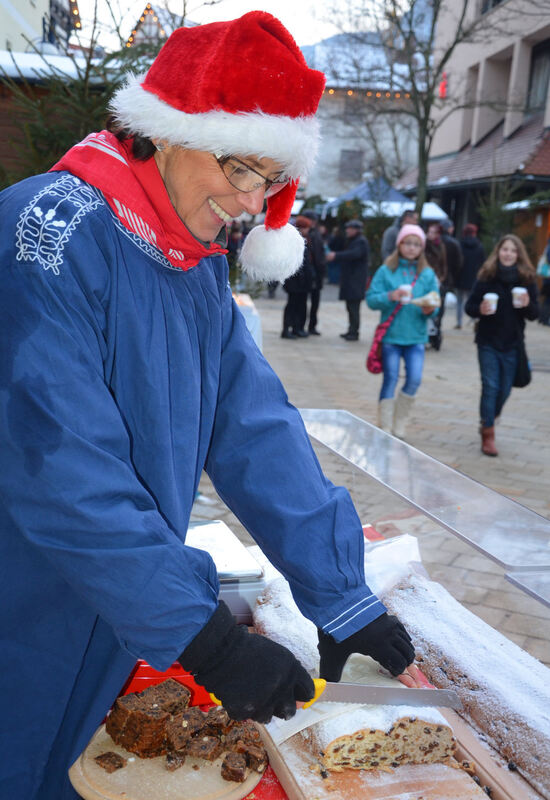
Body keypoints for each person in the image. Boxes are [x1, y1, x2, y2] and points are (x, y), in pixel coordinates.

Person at [0, 13, 419, 799]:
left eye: (271, 179)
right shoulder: (47, 233)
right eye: (239, 165)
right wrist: (206, 639)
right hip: (23, 592)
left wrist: (340, 594)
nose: (250, 198)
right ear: (168, 131)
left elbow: (253, 426)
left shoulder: (191, 260)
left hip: (115, 595)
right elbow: (58, 467)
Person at [465, 234, 539, 457]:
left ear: (519, 255)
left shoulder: (526, 280)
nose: (508, 254)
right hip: (487, 341)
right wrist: (480, 309)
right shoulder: (487, 276)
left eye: (513, 250)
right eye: (505, 249)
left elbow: (534, 314)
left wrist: (527, 305)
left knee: (505, 389)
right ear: (498, 252)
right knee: (490, 386)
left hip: (513, 343)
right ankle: (488, 432)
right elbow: (470, 306)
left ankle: (491, 416)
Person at [366, 224, 440, 438]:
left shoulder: (426, 274)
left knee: (414, 378)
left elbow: (435, 303)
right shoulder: (386, 270)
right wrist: (390, 296)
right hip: (391, 336)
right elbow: (371, 299)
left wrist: (430, 310)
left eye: (416, 244)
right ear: (399, 244)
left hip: (416, 337)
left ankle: (400, 421)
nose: (411, 248)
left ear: (422, 248)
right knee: (390, 378)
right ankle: (385, 424)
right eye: (407, 243)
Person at [327, 219, 370, 341]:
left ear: (356, 230)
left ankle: (354, 332)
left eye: (350, 228)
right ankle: (351, 330)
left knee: (354, 307)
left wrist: (336, 255)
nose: (347, 231)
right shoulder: (354, 240)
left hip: (355, 280)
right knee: (350, 307)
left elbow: (354, 254)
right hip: (351, 280)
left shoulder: (360, 242)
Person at [281, 218, 315, 338]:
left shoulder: (306, 239)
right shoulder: (294, 241)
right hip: (295, 279)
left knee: (300, 305)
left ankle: (296, 328)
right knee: (292, 305)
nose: (307, 230)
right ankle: (287, 329)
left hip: (302, 280)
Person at [296, 210, 327, 335]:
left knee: (314, 302)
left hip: (316, 272)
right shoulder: (306, 235)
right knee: (302, 302)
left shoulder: (315, 234)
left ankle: (311, 326)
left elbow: (319, 254)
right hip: (308, 272)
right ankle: (300, 326)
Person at [424, 221, 448, 350]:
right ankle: (427, 336)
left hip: (438, 280)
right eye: (429, 232)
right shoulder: (424, 245)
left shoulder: (441, 246)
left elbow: (444, 264)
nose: (430, 235)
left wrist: (442, 277)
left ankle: (435, 337)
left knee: (437, 310)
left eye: (433, 232)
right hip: (425, 280)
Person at [457, 224, 485, 328]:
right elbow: (483, 263)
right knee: (473, 300)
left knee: (459, 301)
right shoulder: (479, 246)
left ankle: (459, 322)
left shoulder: (460, 245)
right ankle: (475, 319)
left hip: (460, 277)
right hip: (473, 278)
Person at [440, 218, 463, 324]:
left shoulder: (435, 241)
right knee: (441, 300)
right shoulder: (453, 243)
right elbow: (459, 262)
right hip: (447, 276)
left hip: (437, 275)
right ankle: (437, 324)